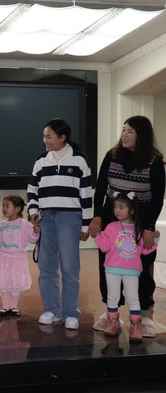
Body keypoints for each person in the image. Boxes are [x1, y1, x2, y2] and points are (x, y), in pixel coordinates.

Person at [88, 116, 165, 337]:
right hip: (111, 216)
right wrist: (97, 216)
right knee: (108, 264)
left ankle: (143, 315)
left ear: (142, 135)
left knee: (141, 266)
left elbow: (158, 198)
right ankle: (111, 313)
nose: (124, 134)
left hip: (141, 220)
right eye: (123, 130)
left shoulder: (154, 161)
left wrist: (149, 227)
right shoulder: (112, 156)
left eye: (130, 131)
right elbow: (100, 189)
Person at [27, 118, 92, 330]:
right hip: (46, 218)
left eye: (49, 136)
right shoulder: (41, 160)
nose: (45, 140)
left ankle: (70, 312)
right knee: (46, 267)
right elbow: (32, 191)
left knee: (69, 268)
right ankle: (52, 310)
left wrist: (85, 225)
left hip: (70, 218)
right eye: (44, 136)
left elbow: (86, 195)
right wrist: (33, 214)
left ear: (62, 137)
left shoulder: (79, 160)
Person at [94, 191, 160, 341]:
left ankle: (135, 326)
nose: (117, 210)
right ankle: (113, 322)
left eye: (121, 207)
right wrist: (97, 235)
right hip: (112, 269)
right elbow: (104, 247)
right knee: (113, 296)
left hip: (132, 271)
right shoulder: (111, 227)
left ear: (132, 210)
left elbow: (144, 250)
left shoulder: (138, 229)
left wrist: (155, 239)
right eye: (115, 207)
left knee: (133, 297)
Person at [0, 195, 40, 317]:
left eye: (7, 206)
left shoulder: (24, 224)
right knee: (4, 284)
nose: (4, 209)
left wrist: (35, 232)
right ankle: (5, 307)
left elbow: (32, 239)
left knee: (15, 284)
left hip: (18, 260)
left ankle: (14, 307)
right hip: (2, 259)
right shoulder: (1, 225)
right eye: (3, 206)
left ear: (17, 209)